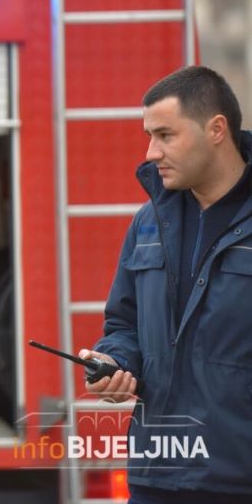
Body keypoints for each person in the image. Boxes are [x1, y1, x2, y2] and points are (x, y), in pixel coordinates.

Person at [79, 66, 252, 503]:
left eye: (165, 135)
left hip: (239, 478)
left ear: (216, 130)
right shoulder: (149, 222)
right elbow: (124, 324)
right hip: (157, 477)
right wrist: (115, 363)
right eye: (149, 136)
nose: (151, 152)